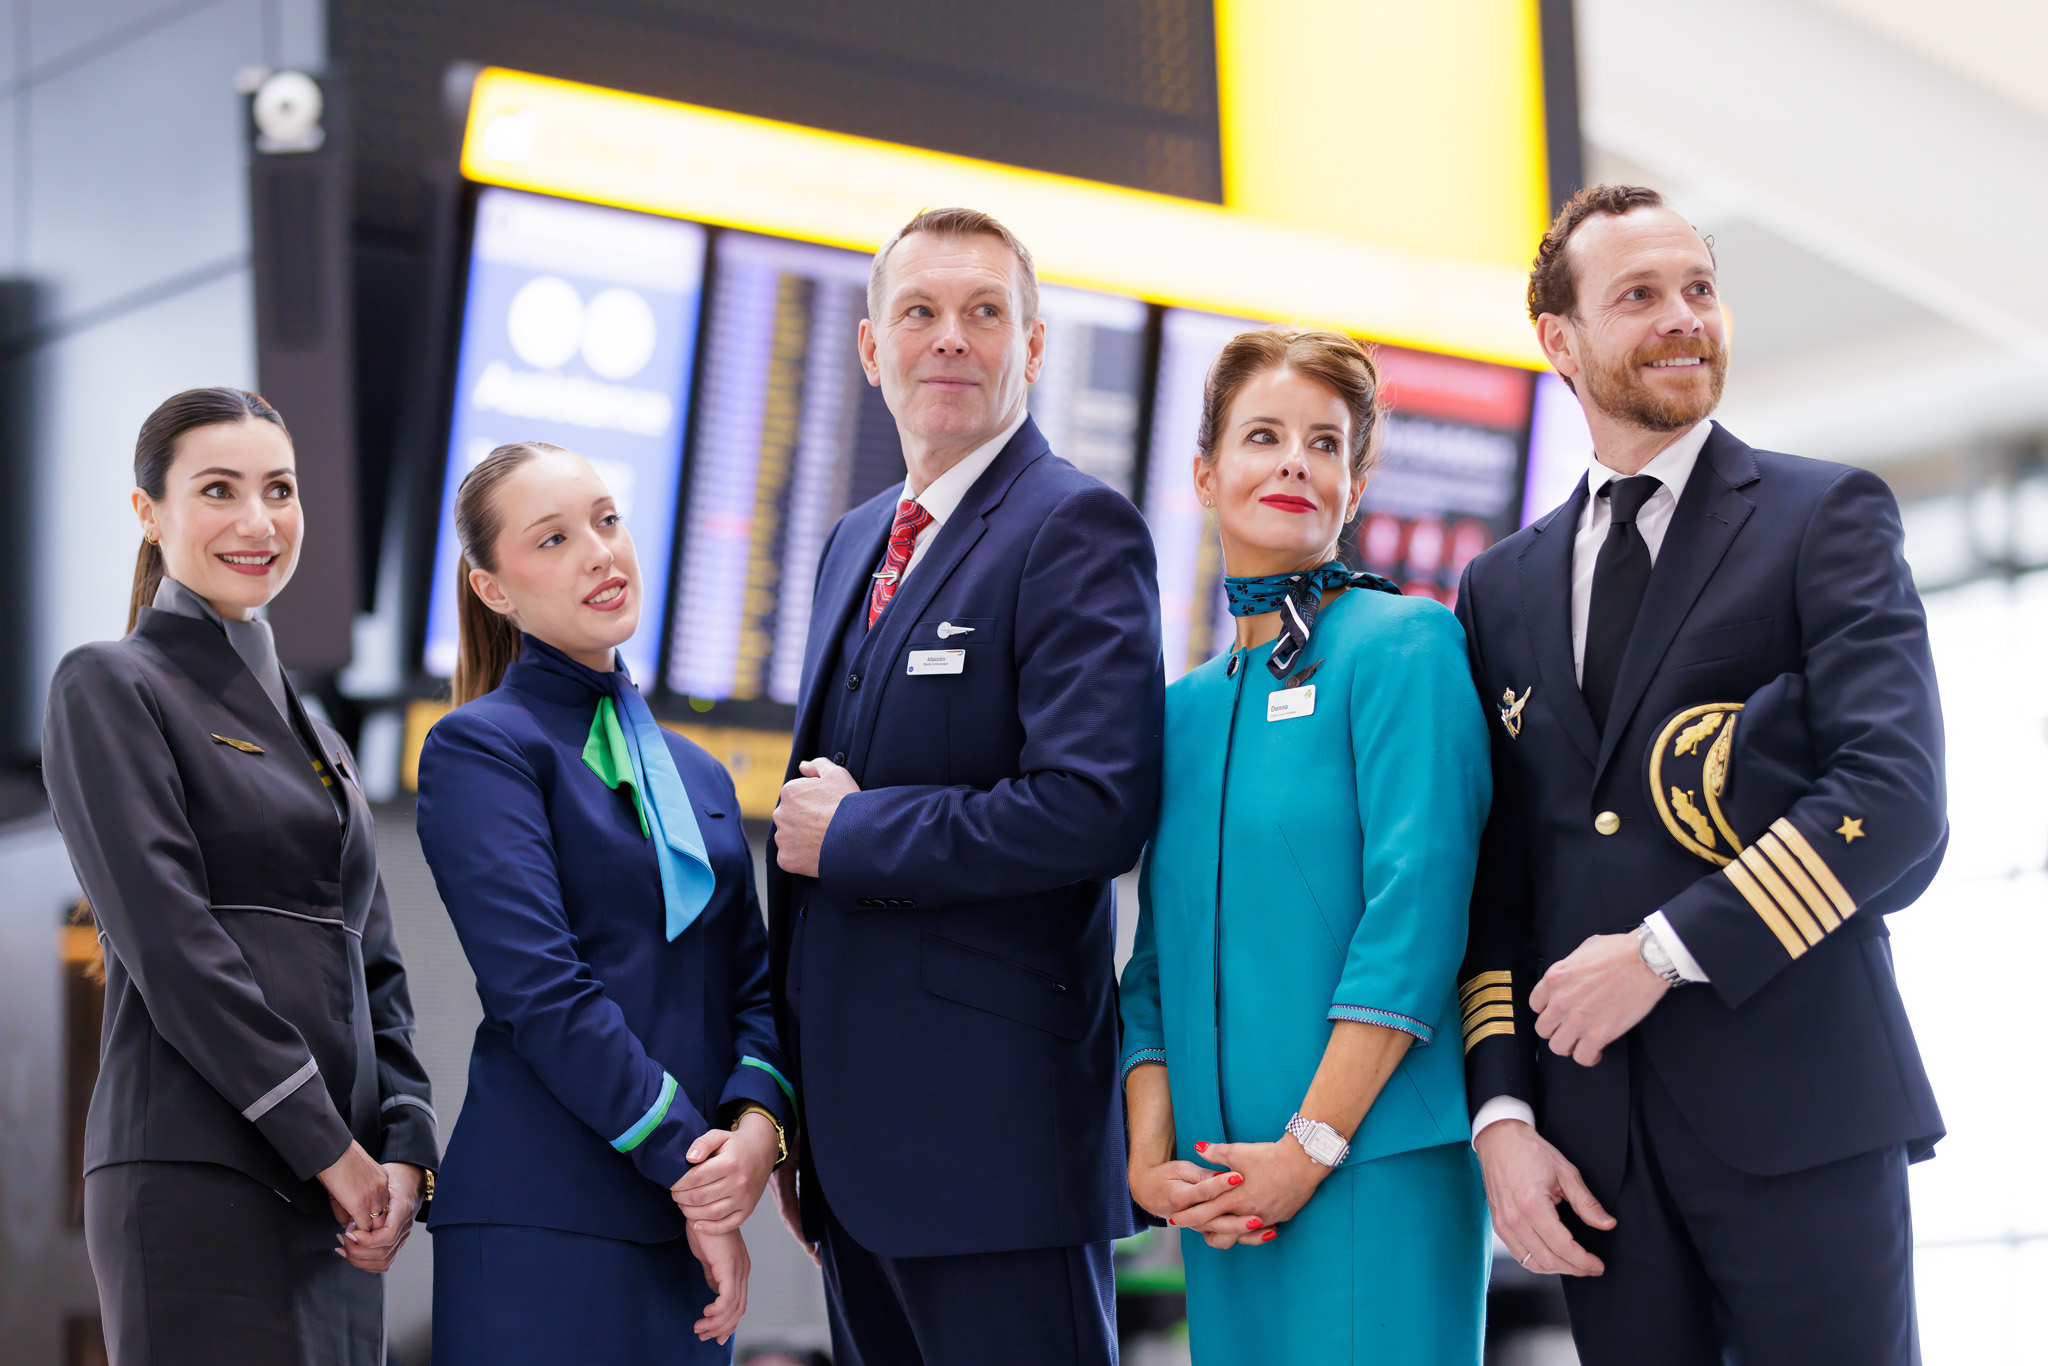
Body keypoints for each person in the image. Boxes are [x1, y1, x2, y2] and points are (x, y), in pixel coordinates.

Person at [1456, 184, 1946, 1364]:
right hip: (1593, 1154)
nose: (1684, 318)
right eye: (1638, 295)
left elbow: (1893, 798)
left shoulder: (1818, 515)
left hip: (1799, 1117)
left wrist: (1662, 954)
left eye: (1699, 290)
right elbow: (1494, 880)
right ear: (1557, 340)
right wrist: (1501, 1115)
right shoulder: (1497, 587)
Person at [764, 207, 1163, 1366]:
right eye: (920, 312)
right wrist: (799, 1112)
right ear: (869, 347)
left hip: (993, 1151)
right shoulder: (853, 540)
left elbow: (1096, 807)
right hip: (851, 1150)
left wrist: (859, 833)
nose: (950, 338)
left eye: (985, 312)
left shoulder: (1072, 525)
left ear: (1032, 348)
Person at [41, 387, 439, 1366]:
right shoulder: (112, 683)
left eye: (279, 490)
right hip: (204, 1175)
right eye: (218, 490)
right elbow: (172, 944)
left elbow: (374, 967)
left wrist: (402, 1145)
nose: (257, 522)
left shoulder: (324, 738)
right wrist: (327, 1146)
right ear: (149, 511)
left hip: (342, 1198)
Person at [1118, 329, 1493, 1363]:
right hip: (1225, 1190)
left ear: (1353, 486)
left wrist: (1308, 1145)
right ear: (1204, 473)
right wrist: (1152, 1161)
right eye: (1263, 436)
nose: (1293, 460)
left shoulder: (1405, 643)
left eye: (1323, 444)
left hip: (1369, 1162)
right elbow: (1153, 960)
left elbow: (1414, 912)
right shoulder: (1182, 712)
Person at [415, 442, 794, 1364]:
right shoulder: (481, 749)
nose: (599, 552)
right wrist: (691, 1166)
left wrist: (755, 1134)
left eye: (607, 520)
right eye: (553, 539)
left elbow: (755, 986)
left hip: (687, 1228)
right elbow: (541, 991)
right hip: (546, 1220)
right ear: (492, 588)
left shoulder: (700, 775)